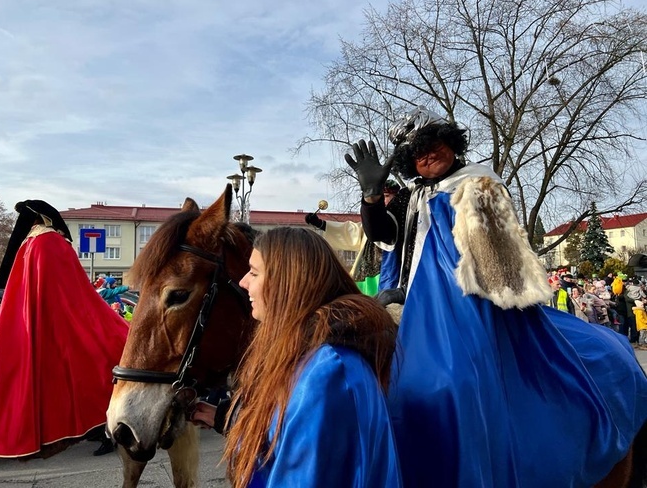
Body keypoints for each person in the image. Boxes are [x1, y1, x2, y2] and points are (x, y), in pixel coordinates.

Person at [345, 105, 647, 487]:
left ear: (449, 142)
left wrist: (425, 292)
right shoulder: (412, 197)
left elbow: (495, 264)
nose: (427, 154)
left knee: (452, 381)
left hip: (465, 305)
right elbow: (383, 236)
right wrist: (372, 197)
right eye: (416, 153)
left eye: (433, 143)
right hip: (408, 302)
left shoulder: (479, 183)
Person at [218, 227, 402, 488]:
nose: (243, 282)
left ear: (287, 283)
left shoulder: (328, 374)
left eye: (255, 273)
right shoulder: (305, 356)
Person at [0, 200, 129, 460]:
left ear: (36, 219)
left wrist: (10, 316)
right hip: (12, 318)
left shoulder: (43, 243)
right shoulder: (44, 243)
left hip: (25, 323)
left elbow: (40, 295)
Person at [304, 180, 401, 295]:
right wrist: (321, 224)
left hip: (389, 273)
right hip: (366, 275)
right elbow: (352, 232)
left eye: (386, 196)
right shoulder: (370, 223)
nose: (382, 201)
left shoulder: (403, 222)